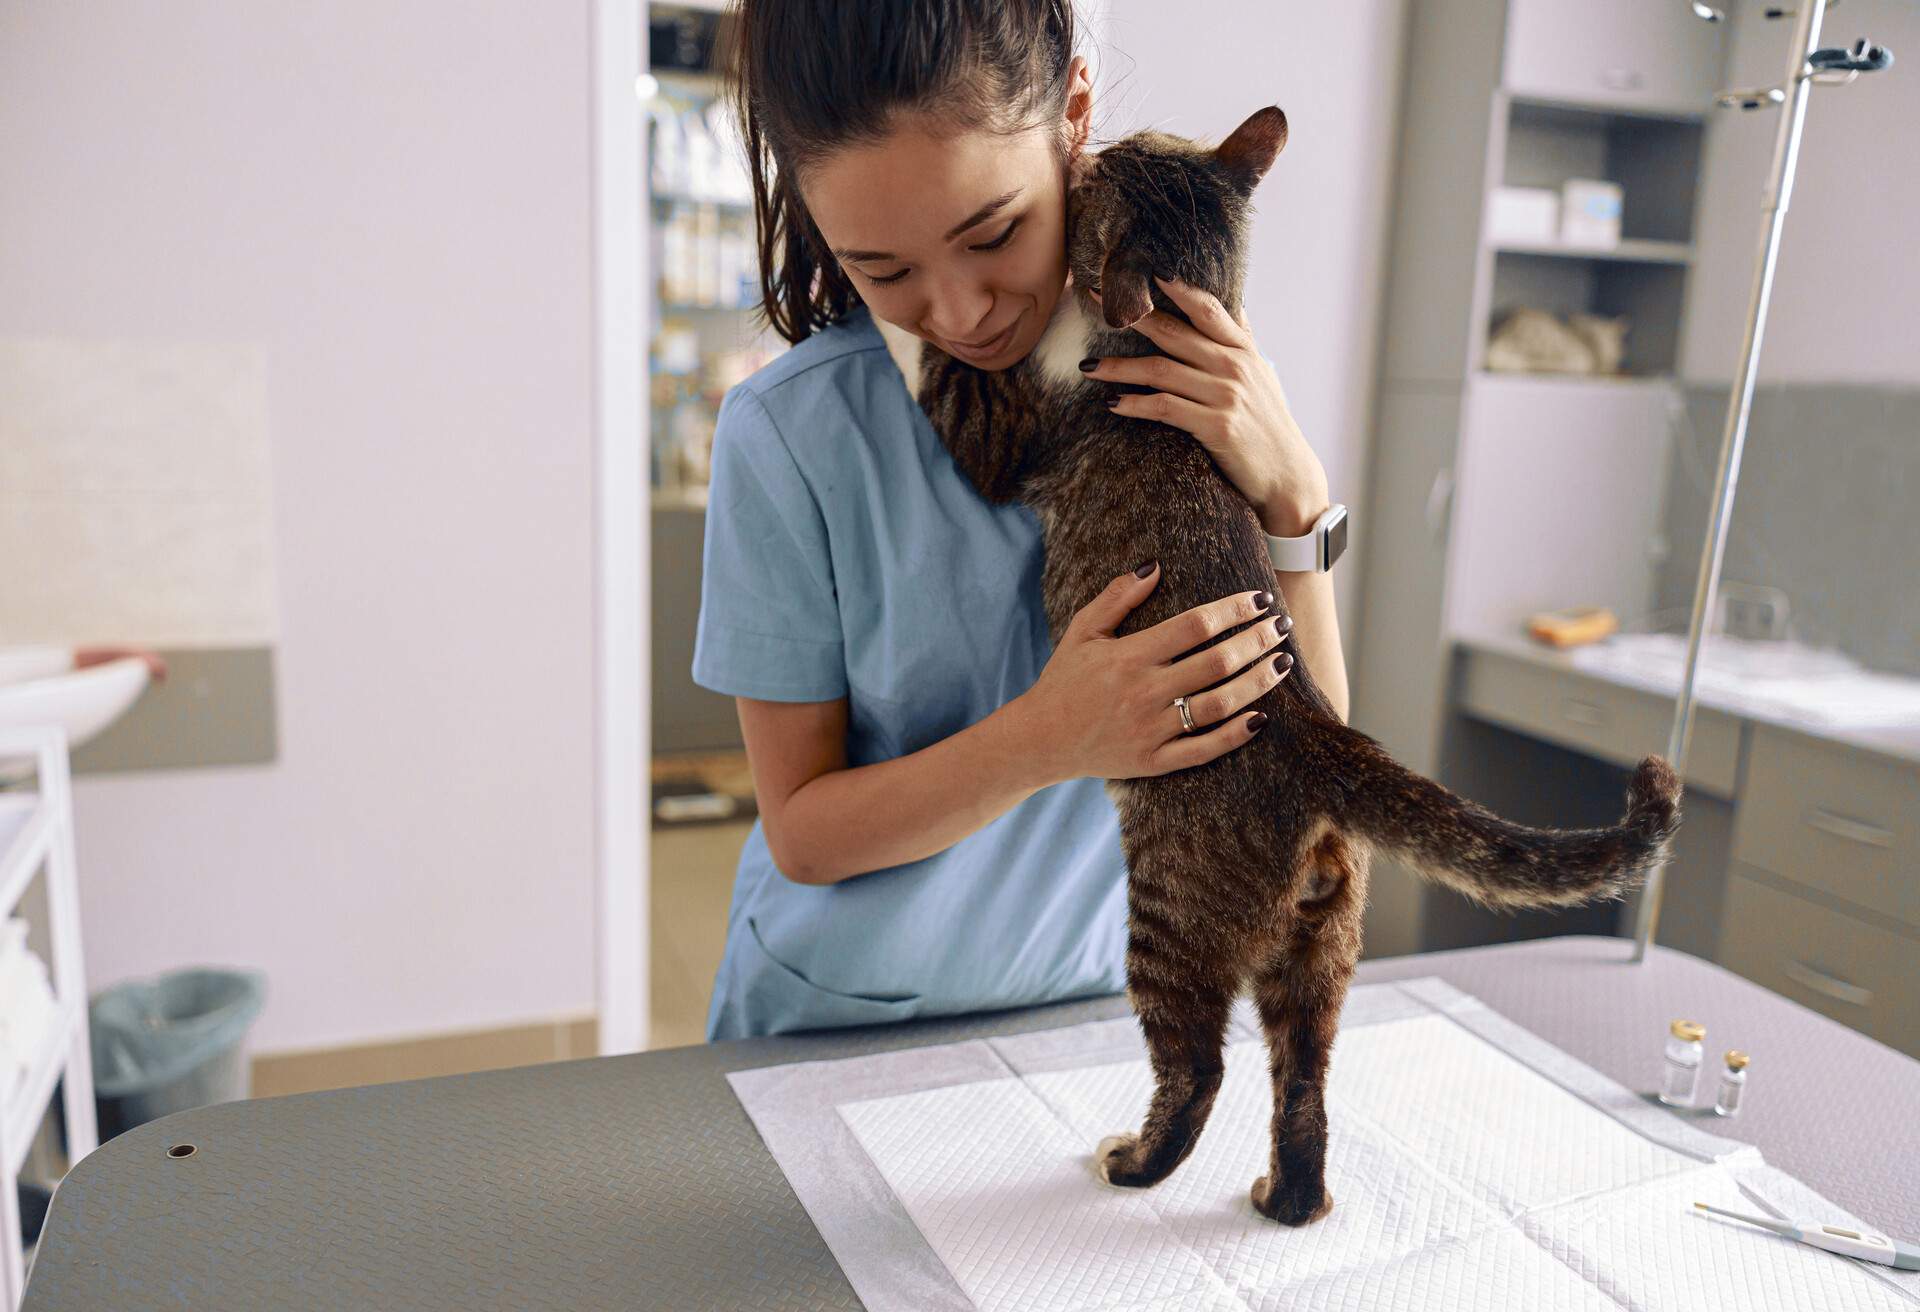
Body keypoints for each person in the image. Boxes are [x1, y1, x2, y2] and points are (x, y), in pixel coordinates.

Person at [692, 0, 1348, 1041]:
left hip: (1093, 1018)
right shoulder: (791, 433)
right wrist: (1048, 737)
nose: (959, 313)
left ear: (1074, 114)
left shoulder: (1191, 375)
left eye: (991, 234)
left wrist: (1298, 503)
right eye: (884, 270)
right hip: (836, 1024)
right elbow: (803, 836)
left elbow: (1301, 755)